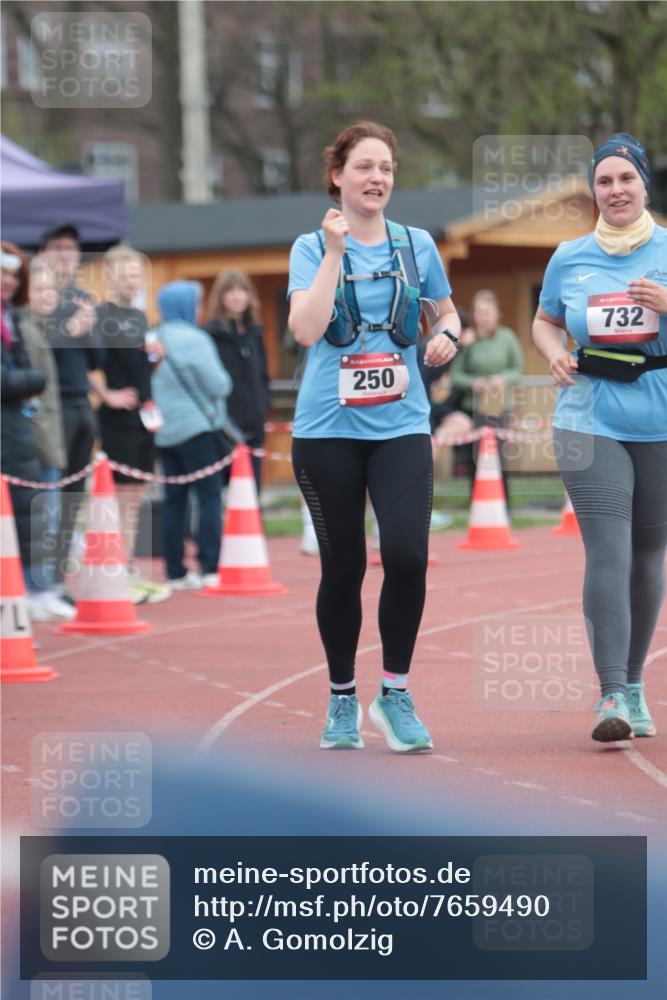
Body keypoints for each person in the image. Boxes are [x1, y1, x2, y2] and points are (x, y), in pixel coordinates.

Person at [288, 121, 460, 751]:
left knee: (408, 556)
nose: (376, 177)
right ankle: (341, 699)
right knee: (344, 565)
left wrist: (450, 334)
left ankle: (395, 692)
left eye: (385, 167)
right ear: (338, 176)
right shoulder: (310, 247)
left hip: (401, 426)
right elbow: (306, 330)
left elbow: (447, 310)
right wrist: (336, 254)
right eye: (364, 166)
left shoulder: (417, 244)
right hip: (326, 431)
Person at [532, 132, 667, 743]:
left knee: (648, 553)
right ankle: (610, 692)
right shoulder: (569, 256)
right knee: (609, 551)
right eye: (604, 181)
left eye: (625, 178)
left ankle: (634, 684)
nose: (615, 190)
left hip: (658, 419)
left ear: (644, 184)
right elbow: (545, 321)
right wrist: (555, 353)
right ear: (593, 190)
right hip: (588, 416)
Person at [94, 246, 170, 604]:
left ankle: (127, 566)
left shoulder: (140, 316)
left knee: (136, 497)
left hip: (145, 415)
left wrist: (157, 359)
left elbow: (145, 366)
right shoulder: (101, 316)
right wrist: (106, 394)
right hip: (118, 420)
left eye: (136, 274)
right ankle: (114, 568)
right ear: (110, 277)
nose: (131, 280)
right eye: (125, 274)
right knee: (119, 496)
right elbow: (86, 362)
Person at [150, 280, 232, 590]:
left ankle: (175, 572)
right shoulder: (195, 339)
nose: (199, 310)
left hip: (164, 431)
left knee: (173, 501)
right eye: (196, 303)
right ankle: (210, 566)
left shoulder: (152, 338)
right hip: (197, 429)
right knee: (209, 497)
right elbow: (220, 385)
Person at [39, 223, 104, 600]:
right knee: (49, 495)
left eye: (71, 248)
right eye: (58, 247)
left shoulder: (82, 297)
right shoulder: (38, 297)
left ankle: (59, 577)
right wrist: (70, 327)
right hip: (53, 406)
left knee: (72, 497)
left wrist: (87, 329)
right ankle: (44, 580)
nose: (66, 254)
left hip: (82, 403)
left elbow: (97, 359)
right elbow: (38, 350)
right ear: (45, 252)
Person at [15, 255, 76, 621]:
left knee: (47, 518)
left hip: (50, 435)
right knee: (39, 520)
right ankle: (37, 589)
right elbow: (33, 397)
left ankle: (43, 588)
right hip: (38, 440)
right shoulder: (25, 329)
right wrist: (45, 444)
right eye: (39, 288)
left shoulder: (41, 329)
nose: (47, 295)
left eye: (51, 288)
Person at [0, 243, 52, 612]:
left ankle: (27, 595)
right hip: (9, 435)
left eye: (14, 275)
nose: (9, 281)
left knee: (25, 517)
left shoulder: (14, 320)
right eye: (3, 273)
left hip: (16, 433)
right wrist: (34, 379)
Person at [448, 289, 523, 505]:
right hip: (471, 407)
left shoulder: (507, 338)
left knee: (497, 457)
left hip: (497, 407)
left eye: (488, 312)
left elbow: (517, 370)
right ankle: (476, 503)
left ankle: (503, 506)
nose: (484, 317)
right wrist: (473, 383)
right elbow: (455, 374)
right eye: (480, 313)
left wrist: (502, 379)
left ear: (497, 314)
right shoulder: (468, 341)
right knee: (473, 459)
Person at [205, 270, 271, 495]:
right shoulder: (211, 334)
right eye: (231, 291)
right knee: (226, 493)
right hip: (225, 425)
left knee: (253, 493)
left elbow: (263, 375)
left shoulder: (255, 333)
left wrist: (263, 406)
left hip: (254, 424)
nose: (237, 296)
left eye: (242, 290)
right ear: (220, 296)